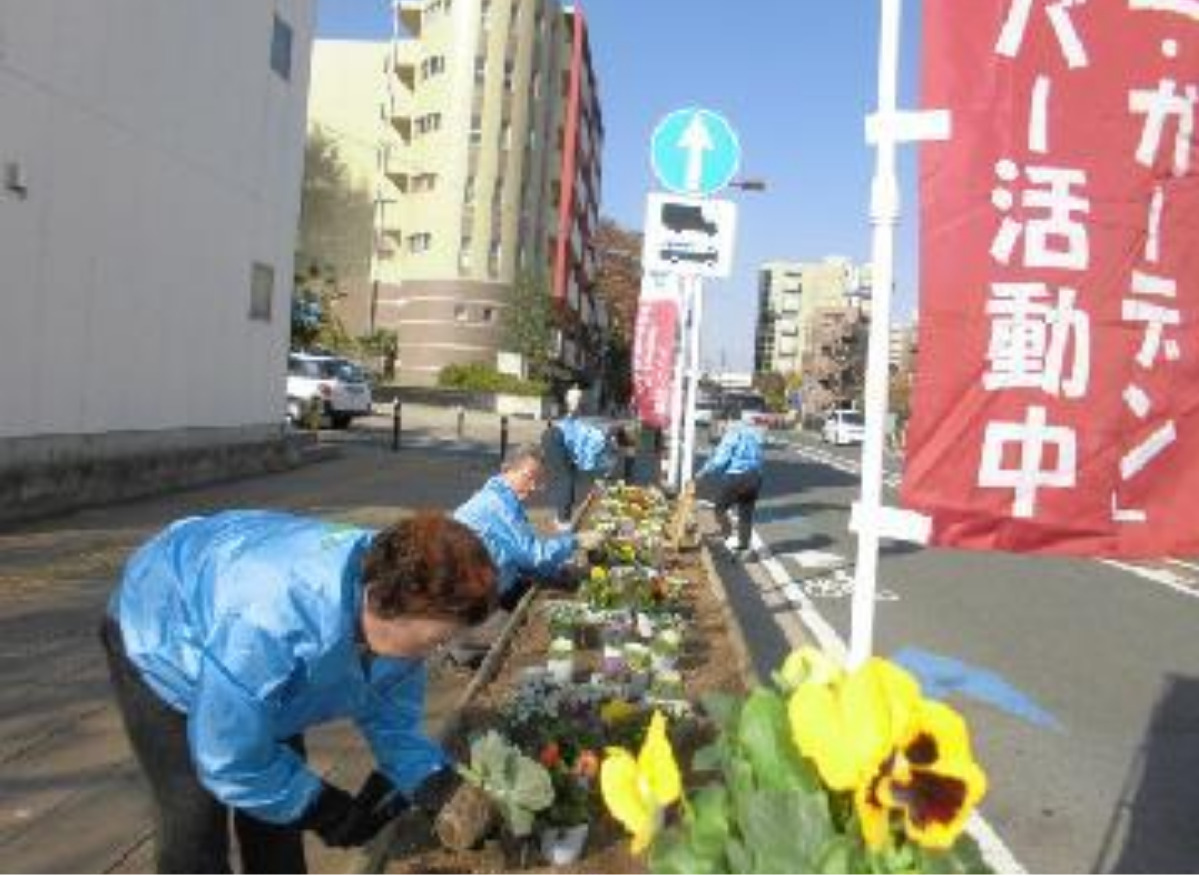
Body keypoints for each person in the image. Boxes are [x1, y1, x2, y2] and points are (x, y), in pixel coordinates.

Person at [100, 509, 497, 873]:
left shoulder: (405, 584)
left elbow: (391, 708)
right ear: (386, 606)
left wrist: (426, 777)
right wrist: (322, 809)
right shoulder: (271, 622)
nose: (439, 651)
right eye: (436, 640)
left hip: (241, 617)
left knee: (278, 804)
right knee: (194, 817)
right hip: (161, 624)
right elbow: (231, 757)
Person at [452, 444, 603, 664]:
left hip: (496, 584)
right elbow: (534, 555)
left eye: (538, 480)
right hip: (470, 604)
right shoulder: (496, 503)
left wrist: (563, 571)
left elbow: (525, 554)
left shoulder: (503, 497)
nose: (534, 487)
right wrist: (575, 541)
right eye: (529, 477)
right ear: (508, 470)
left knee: (549, 597)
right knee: (533, 639)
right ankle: (465, 647)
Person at [695, 421, 765, 560]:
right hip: (755, 476)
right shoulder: (753, 434)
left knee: (720, 508)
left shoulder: (732, 435)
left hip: (737, 476)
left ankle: (728, 539)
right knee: (746, 513)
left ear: (727, 423)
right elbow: (759, 457)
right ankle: (744, 548)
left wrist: (704, 471)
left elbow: (720, 461)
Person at [541, 416, 620, 527]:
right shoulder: (601, 440)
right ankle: (563, 521)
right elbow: (587, 463)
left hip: (557, 435)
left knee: (565, 477)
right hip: (557, 439)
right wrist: (598, 477)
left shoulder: (600, 428)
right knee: (564, 479)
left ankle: (563, 516)